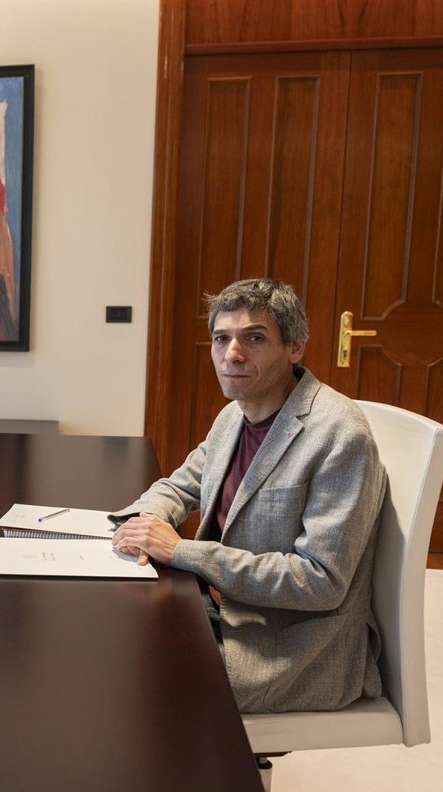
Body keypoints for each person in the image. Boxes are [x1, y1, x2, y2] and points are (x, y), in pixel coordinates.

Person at [112, 278, 386, 713]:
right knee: (104, 630)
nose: (232, 354)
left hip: (288, 644)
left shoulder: (340, 435)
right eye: (221, 339)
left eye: (254, 339)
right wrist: (143, 522)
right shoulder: (233, 416)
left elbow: (321, 581)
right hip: (218, 607)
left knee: (130, 677)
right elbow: (179, 485)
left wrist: (183, 551)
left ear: (295, 348)